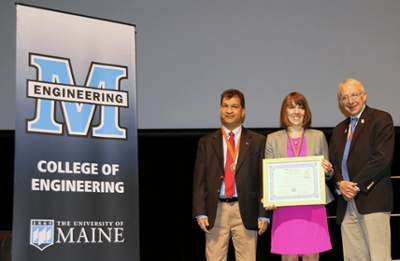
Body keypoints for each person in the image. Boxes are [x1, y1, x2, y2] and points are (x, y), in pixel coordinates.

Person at [192, 89, 270, 261]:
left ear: (243, 111)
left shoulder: (258, 141)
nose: (229, 111)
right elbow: (199, 181)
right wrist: (200, 213)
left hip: (246, 210)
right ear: (220, 109)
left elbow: (265, 179)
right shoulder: (206, 142)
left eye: (234, 106)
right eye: (225, 106)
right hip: (215, 210)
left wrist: (263, 214)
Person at [329, 78, 395, 261]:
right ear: (340, 102)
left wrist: (355, 186)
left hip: (372, 199)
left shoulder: (381, 119)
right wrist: (340, 184)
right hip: (346, 203)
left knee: (379, 257)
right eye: (345, 97)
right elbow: (333, 163)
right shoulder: (338, 130)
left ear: (364, 96)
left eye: (354, 95)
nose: (350, 101)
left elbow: (382, 159)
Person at [264, 92, 334, 261]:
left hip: (313, 207)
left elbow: (328, 174)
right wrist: (268, 197)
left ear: (306, 111)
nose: (296, 111)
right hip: (284, 209)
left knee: (312, 255)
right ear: (284, 111)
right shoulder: (272, 139)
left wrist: (329, 170)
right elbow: (269, 177)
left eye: (300, 107)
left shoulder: (318, 136)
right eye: (292, 106)